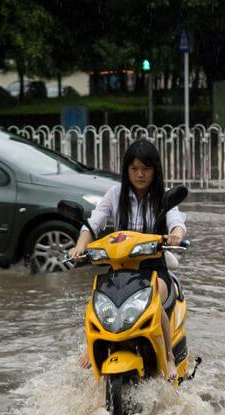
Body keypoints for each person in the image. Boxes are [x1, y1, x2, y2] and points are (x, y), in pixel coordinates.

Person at [68, 139, 186, 380]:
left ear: (155, 170)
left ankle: (169, 358)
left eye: (146, 169)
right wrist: (81, 245)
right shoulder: (115, 193)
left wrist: (175, 236)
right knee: (95, 298)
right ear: (126, 170)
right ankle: (93, 346)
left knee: (153, 294)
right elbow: (95, 219)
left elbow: (177, 223)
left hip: (153, 269)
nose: (140, 174)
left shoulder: (163, 196)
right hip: (119, 271)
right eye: (134, 169)